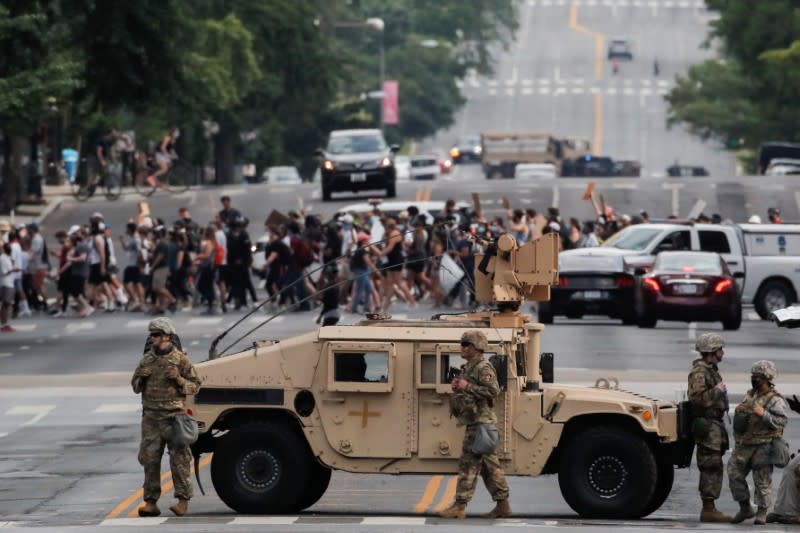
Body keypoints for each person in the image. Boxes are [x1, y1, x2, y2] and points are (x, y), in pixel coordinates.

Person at [131, 317, 201, 517]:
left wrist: (178, 379)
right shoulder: (147, 360)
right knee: (150, 460)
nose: (152, 339)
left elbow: (195, 385)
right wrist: (141, 377)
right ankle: (150, 502)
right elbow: (135, 387)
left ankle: (182, 501)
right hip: (151, 418)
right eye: (151, 335)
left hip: (174, 418)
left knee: (179, 460)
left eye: (156, 335)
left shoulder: (180, 360)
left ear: (167, 336)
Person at [438, 331, 511, 519]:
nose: (462, 347)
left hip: (480, 424)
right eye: (462, 344)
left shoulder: (483, 367)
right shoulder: (469, 367)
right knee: (489, 467)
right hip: (476, 422)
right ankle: (503, 505)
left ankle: (459, 506)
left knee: (468, 465)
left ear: (477, 348)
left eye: (466, 344)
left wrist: (466, 386)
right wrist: (459, 386)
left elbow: (493, 391)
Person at [728, 360, 788, 525]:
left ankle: (762, 511)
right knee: (734, 474)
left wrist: (764, 415)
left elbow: (782, 421)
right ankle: (745, 507)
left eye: (759, 377)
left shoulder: (775, 400)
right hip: (745, 445)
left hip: (764, 445)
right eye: (753, 376)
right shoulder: (750, 394)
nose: (755, 379)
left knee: (762, 481)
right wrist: (741, 409)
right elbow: (745, 414)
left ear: (767, 378)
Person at [687, 333, 732, 522]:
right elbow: (696, 399)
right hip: (707, 423)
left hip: (715, 424)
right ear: (711, 351)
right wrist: (717, 391)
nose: (722, 352)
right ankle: (708, 508)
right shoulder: (700, 372)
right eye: (719, 349)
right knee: (710, 465)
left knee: (714, 464)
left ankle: (710, 507)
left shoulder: (711, 370)